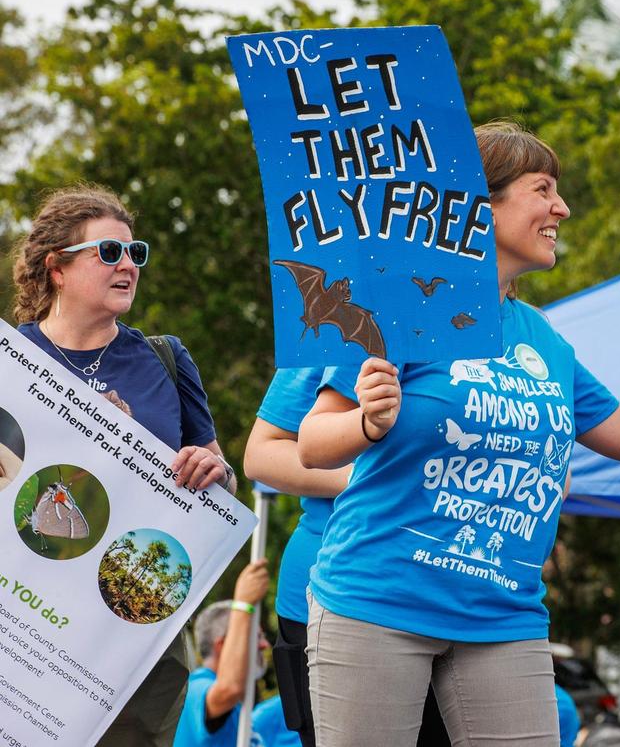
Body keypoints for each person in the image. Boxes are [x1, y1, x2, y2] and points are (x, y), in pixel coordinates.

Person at [296, 121, 620, 746]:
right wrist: (365, 421)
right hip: (377, 602)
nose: (561, 207)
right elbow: (313, 444)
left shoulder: (546, 340)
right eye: (543, 189)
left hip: (504, 615)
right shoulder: (400, 304)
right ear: (482, 205)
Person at [10, 184, 236, 745]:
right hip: (24, 618)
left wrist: (215, 475)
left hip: (130, 625)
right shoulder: (11, 363)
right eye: (109, 253)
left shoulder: (165, 357)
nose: (129, 266)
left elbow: (223, 484)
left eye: (136, 253)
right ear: (56, 268)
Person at [243, 368, 450, 747]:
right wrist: (373, 477)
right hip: (334, 594)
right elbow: (261, 455)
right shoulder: (340, 323)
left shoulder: (519, 328)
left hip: (460, 599)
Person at [174, 559, 271, 746]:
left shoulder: (235, 707)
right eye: (255, 637)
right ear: (222, 644)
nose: (265, 645)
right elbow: (229, 689)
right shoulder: (195, 688)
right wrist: (243, 604)